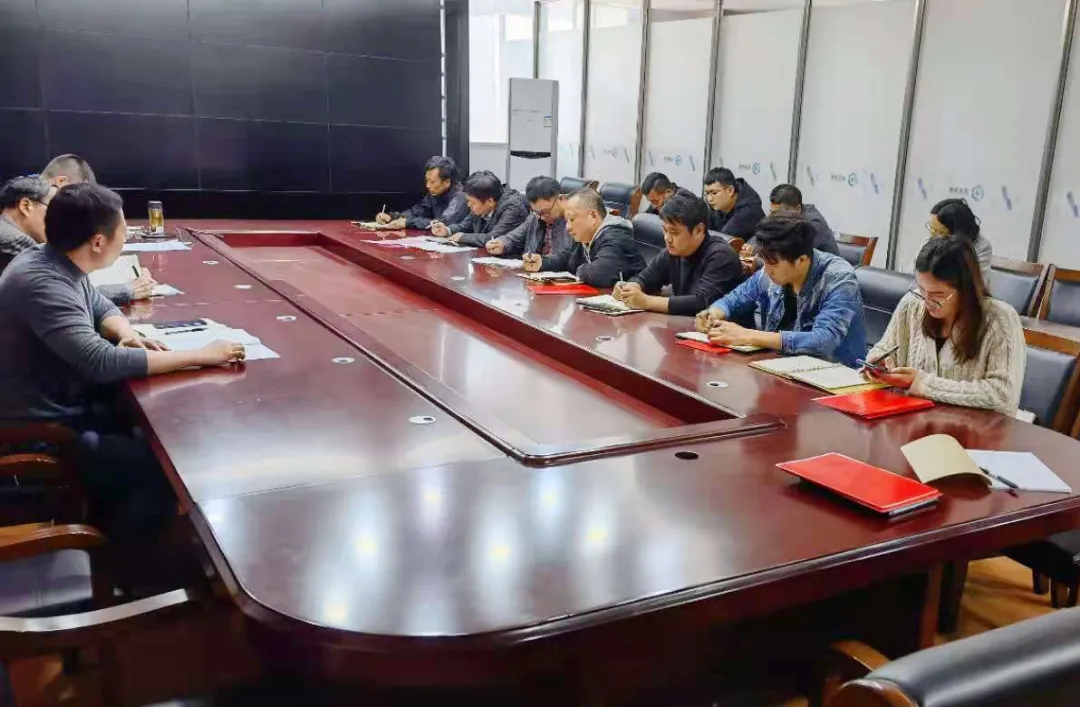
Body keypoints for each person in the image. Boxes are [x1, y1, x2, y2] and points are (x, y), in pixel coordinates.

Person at [0, 183, 244, 551]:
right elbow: (102, 362)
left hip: (65, 401)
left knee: (163, 427)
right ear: (98, 242)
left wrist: (128, 333)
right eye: (123, 228)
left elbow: (99, 305)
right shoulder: (41, 282)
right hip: (45, 429)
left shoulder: (53, 260)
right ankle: (132, 557)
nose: (127, 235)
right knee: (167, 465)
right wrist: (203, 355)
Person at [865, 236, 1024, 416]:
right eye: (921, 289)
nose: (927, 301)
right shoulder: (912, 303)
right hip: (915, 421)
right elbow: (885, 347)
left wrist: (924, 384)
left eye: (938, 295)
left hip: (973, 428)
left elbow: (1002, 395)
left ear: (965, 289)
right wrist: (877, 360)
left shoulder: (999, 320)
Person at [696, 213, 867, 368]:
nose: (766, 269)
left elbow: (823, 341)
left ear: (801, 260)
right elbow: (734, 299)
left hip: (834, 376)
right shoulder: (771, 270)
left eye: (773, 264)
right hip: (781, 367)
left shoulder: (839, 279)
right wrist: (714, 313)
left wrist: (748, 335)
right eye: (764, 261)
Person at [0, 176, 157, 304]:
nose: (58, 218)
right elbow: (63, 295)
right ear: (25, 206)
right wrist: (128, 290)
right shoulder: (14, 240)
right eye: (52, 208)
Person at [613, 190, 744, 316]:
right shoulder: (673, 251)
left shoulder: (721, 255)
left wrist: (647, 302)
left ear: (699, 230)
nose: (667, 238)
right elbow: (646, 278)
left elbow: (702, 303)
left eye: (674, 232)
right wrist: (630, 287)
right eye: (665, 230)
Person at [523, 189, 645, 288]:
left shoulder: (616, 236)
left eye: (572, 219)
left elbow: (598, 274)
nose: (567, 227)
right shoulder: (587, 235)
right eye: (567, 221)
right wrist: (542, 262)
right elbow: (568, 256)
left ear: (593, 216)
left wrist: (580, 268)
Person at [430, 170, 529, 247]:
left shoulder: (512, 208)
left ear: (490, 201)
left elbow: (493, 238)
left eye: (472, 202)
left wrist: (463, 237)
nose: (469, 205)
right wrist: (447, 230)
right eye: (468, 201)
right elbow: (465, 225)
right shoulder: (480, 202)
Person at [486, 176, 571, 258]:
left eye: (545, 212)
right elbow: (513, 238)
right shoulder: (535, 217)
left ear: (561, 199)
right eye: (536, 212)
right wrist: (501, 244)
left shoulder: (573, 223)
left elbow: (568, 259)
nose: (541, 217)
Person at [375, 155, 468, 230]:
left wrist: (408, 223)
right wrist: (392, 217)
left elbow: (442, 223)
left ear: (447, 182)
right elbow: (417, 211)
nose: (427, 185)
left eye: (432, 182)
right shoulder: (435, 193)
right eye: (427, 180)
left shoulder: (460, 197)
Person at [925, 198, 992, 285]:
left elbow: (976, 285)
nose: (932, 236)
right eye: (932, 228)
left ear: (957, 234)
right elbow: (916, 272)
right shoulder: (932, 238)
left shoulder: (981, 247)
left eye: (939, 232)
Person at [766, 184, 839, 256]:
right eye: (773, 212)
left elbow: (791, 253)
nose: (775, 218)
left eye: (780, 213)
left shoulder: (813, 224)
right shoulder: (785, 216)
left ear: (798, 209)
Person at [703, 167, 765, 238]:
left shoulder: (748, 212)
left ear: (730, 190)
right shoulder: (717, 203)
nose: (709, 199)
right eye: (707, 193)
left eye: (714, 193)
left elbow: (722, 240)